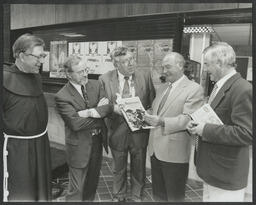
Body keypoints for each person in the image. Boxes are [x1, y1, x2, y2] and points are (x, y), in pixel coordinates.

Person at [187, 42, 252, 202]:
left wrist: (205, 130)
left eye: (207, 64)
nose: (205, 69)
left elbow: (246, 134)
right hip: (213, 170)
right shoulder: (219, 86)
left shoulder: (242, 89)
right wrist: (196, 124)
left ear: (220, 63)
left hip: (226, 175)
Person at [144, 52, 204, 202]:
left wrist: (161, 121)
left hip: (175, 155)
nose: (164, 71)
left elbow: (188, 118)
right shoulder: (162, 88)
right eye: (163, 67)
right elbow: (155, 110)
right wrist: (144, 113)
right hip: (155, 151)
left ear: (180, 66)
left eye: (168, 67)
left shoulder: (194, 89)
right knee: (159, 195)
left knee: (174, 196)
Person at [99, 46, 155, 202]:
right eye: (125, 61)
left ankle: (137, 193)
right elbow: (102, 106)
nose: (131, 64)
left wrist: (149, 112)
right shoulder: (104, 79)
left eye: (132, 59)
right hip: (117, 130)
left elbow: (152, 101)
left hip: (139, 131)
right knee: (119, 166)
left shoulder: (145, 76)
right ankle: (119, 194)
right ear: (116, 64)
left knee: (139, 165)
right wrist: (111, 108)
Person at [55, 55, 113, 201]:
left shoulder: (96, 84)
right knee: (76, 188)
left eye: (86, 69)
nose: (85, 74)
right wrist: (97, 113)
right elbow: (75, 124)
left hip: (97, 142)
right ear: (68, 74)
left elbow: (108, 108)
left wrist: (87, 113)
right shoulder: (62, 96)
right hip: (78, 146)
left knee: (92, 184)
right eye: (80, 72)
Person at [3, 33, 51, 201]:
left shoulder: (36, 77)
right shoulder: (4, 78)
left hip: (40, 144)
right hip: (16, 151)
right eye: (38, 56)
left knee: (39, 192)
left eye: (43, 56)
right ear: (21, 55)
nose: (42, 61)